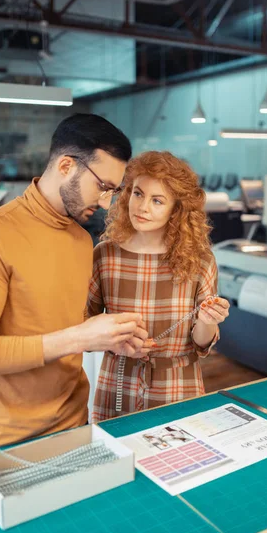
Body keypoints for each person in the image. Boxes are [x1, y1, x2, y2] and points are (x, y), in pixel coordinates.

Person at [0, 113, 150, 453]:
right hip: (8, 439)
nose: (106, 203)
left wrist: (105, 339)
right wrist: (80, 336)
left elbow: (56, 328)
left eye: (113, 192)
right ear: (65, 166)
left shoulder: (80, 239)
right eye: (103, 187)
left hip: (75, 422)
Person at [88, 151, 230, 423]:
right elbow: (85, 321)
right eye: (138, 194)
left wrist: (207, 320)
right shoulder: (105, 255)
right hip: (117, 384)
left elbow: (201, 344)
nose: (142, 207)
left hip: (178, 385)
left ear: (176, 210)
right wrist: (118, 344)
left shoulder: (200, 261)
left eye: (157, 201)